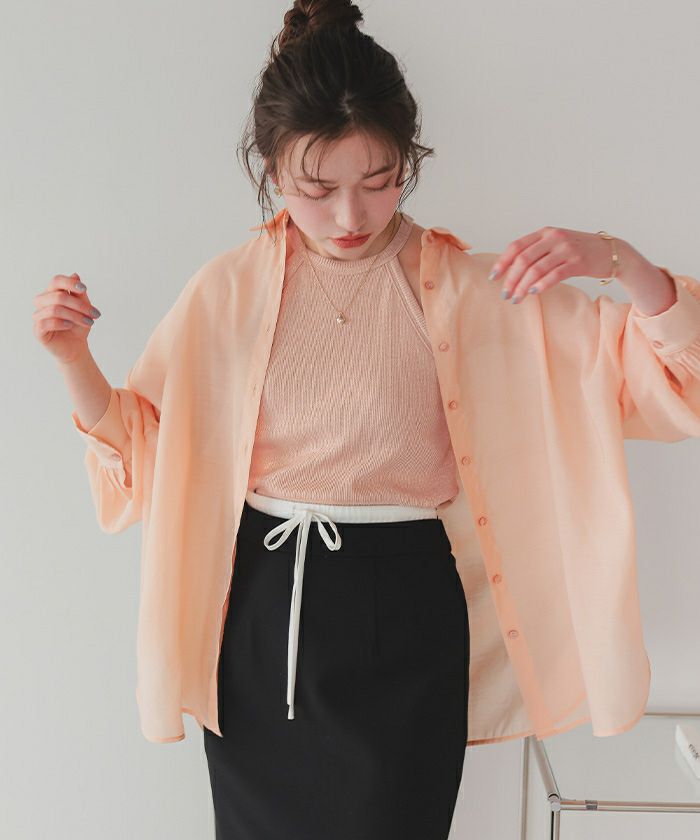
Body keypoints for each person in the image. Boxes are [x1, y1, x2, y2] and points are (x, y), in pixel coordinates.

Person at [33, 1, 700, 839]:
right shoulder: (226, 292)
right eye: (318, 189)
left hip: (407, 606)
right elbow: (143, 456)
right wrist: (72, 360)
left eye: (378, 181)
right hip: (262, 612)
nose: (350, 217)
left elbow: (677, 380)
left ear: (408, 162)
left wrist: (618, 260)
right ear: (272, 169)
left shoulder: (478, 293)